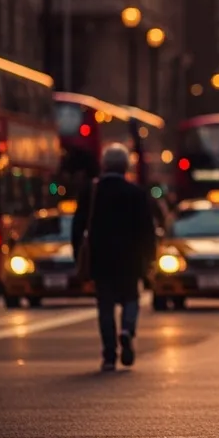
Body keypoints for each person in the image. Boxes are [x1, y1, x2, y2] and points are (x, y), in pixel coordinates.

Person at [72, 144, 156, 371]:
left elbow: (78, 226)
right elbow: (147, 230)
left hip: (101, 257)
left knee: (105, 306)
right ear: (126, 166)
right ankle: (127, 330)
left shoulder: (92, 191)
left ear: (104, 165)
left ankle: (109, 355)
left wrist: (78, 255)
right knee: (131, 298)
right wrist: (149, 258)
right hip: (130, 257)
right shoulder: (136, 193)